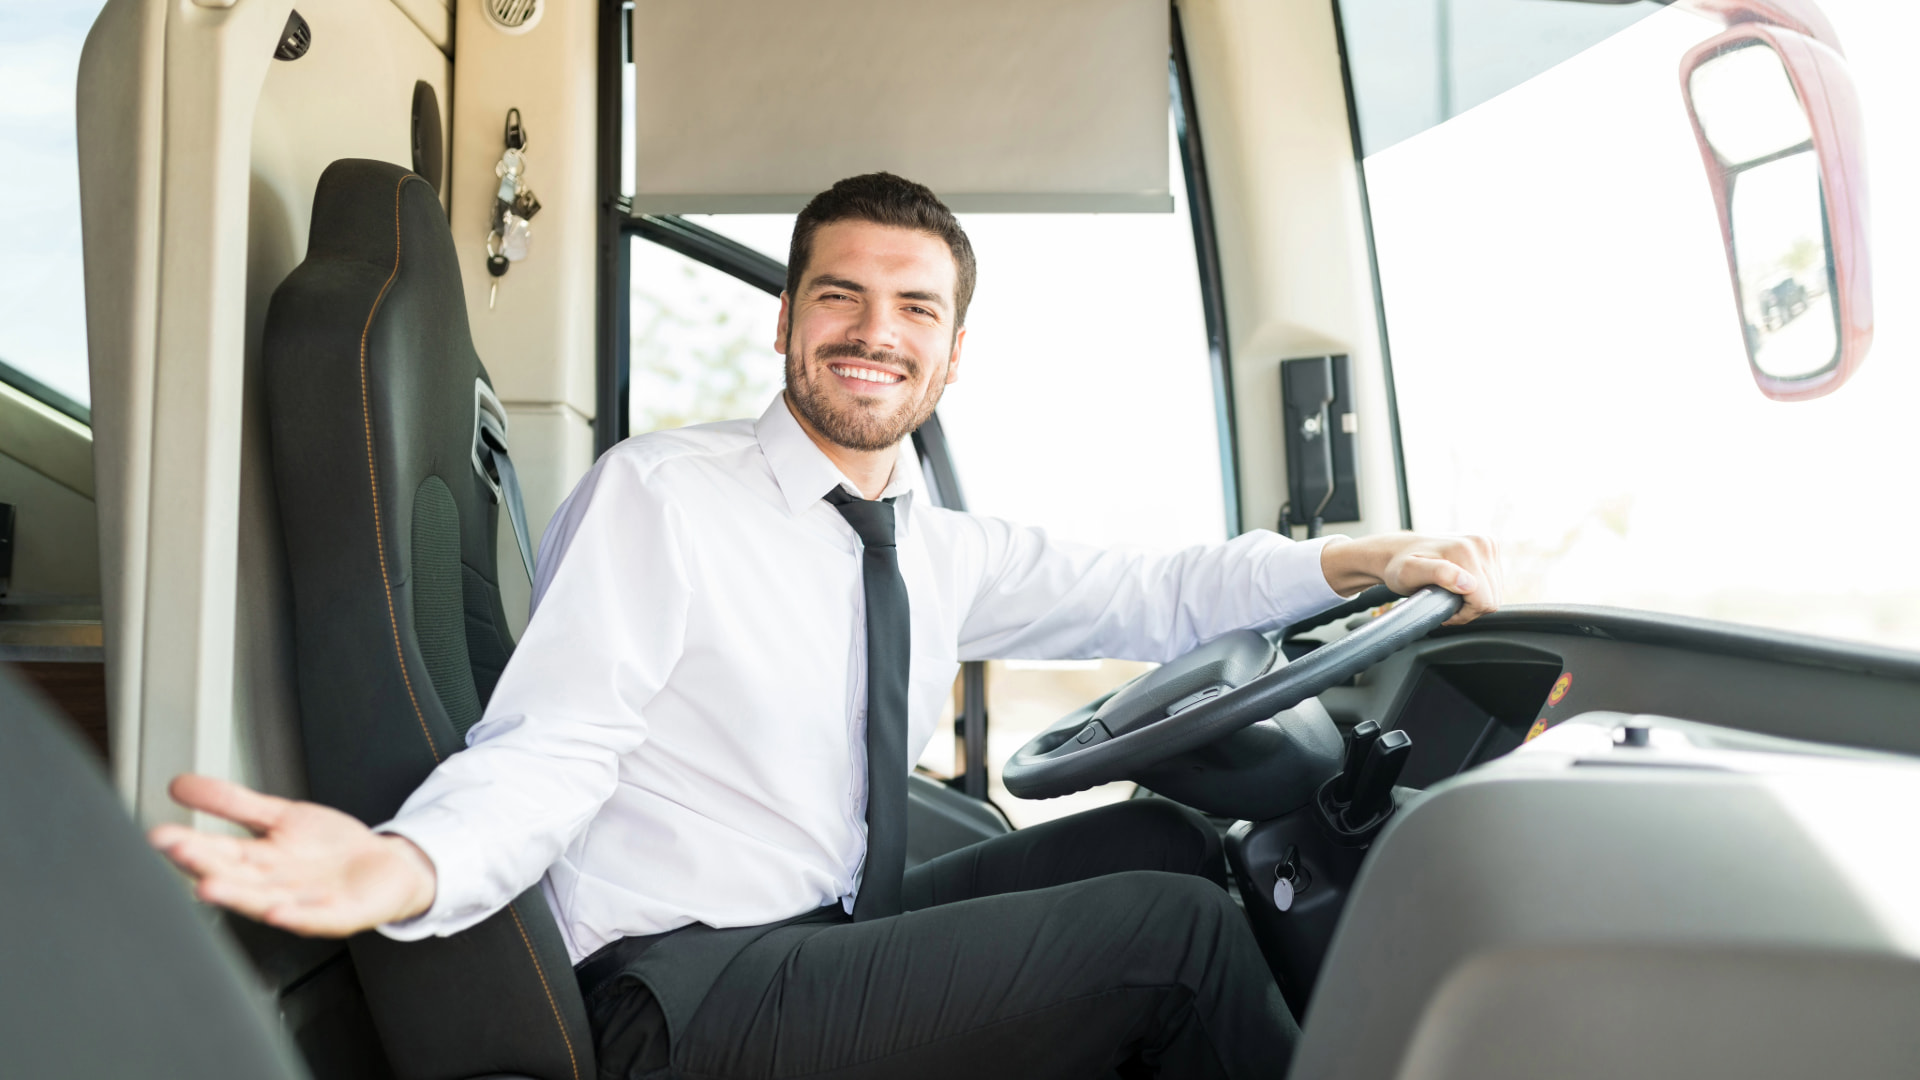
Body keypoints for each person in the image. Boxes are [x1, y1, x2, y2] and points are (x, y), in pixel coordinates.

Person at [152, 173, 1500, 1078]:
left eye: (916, 308)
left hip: (825, 934)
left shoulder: (934, 539)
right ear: (789, 320)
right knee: (1180, 936)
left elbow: (1161, 590)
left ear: (952, 353)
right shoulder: (664, 497)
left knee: (1167, 840)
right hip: (679, 991)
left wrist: (1367, 558)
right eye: (842, 296)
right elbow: (557, 746)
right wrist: (406, 868)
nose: (876, 333)